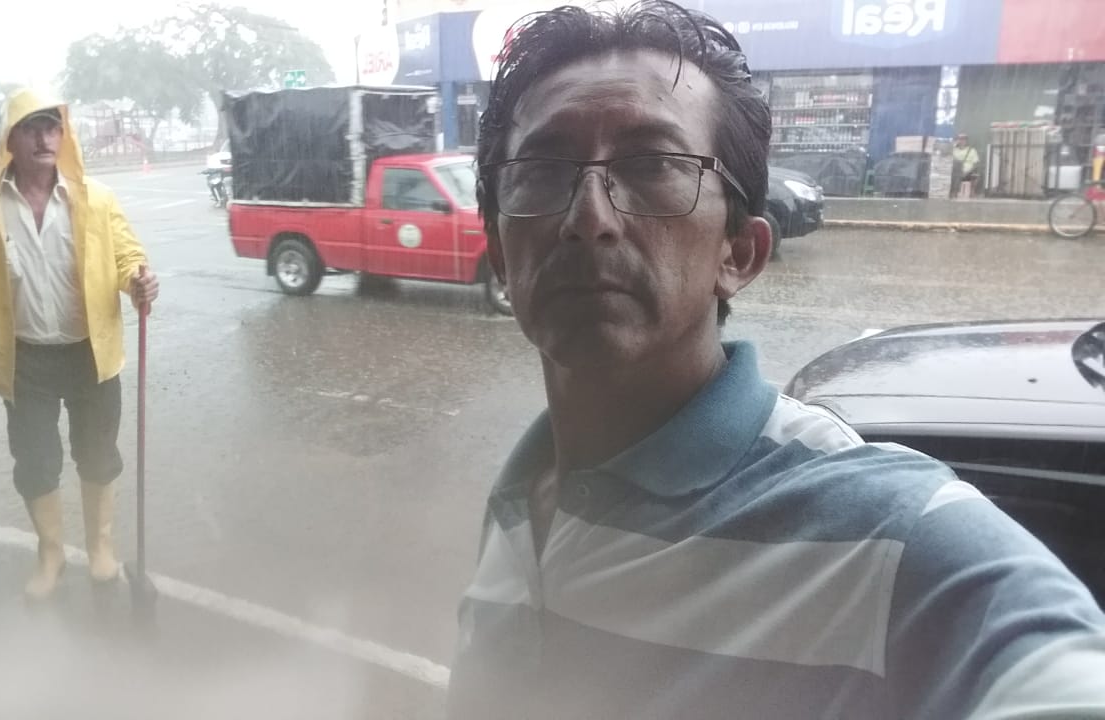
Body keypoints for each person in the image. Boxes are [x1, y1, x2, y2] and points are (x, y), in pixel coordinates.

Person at [447, 3, 1105, 718]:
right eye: (542, 170)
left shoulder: (887, 534)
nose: (589, 218)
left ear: (739, 253)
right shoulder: (519, 497)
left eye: (654, 165)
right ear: (501, 255)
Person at [0, 88, 159, 600]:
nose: (43, 138)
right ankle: (51, 553)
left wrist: (138, 281)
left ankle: (101, 549)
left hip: (90, 354)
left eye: (52, 127)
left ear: (64, 135)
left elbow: (127, 256)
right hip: (24, 359)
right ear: (8, 139)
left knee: (98, 454)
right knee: (35, 461)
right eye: (31, 127)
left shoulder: (95, 198)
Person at [952, 132, 981, 198]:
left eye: (964, 139)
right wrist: (954, 145)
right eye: (960, 139)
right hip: (956, 171)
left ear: (966, 141)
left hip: (968, 171)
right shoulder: (954, 150)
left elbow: (976, 163)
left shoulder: (972, 150)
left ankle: (968, 193)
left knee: (975, 176)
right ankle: (954, 192)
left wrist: (968, 171)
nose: (962, 141)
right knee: (956, 170)